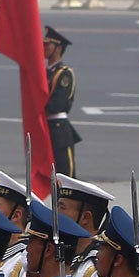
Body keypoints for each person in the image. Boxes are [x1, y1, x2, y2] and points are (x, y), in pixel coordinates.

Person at [44, 26, 80, 179]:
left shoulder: (64, 74)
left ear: (58, 48)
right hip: (47, 128)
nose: (44, 47)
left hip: (59, 130)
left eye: (47, 45)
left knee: (66, 176)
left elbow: (56, 105)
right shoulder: (46, 73)